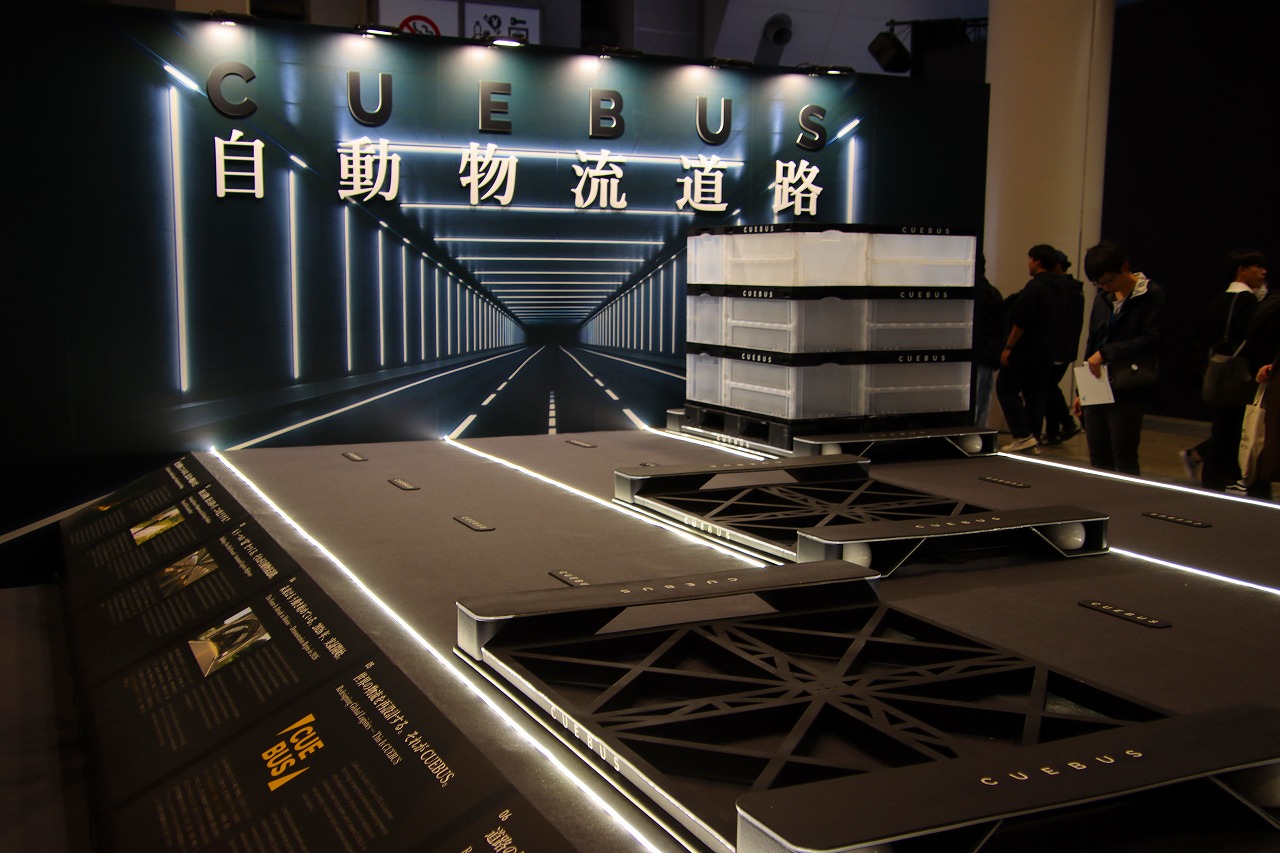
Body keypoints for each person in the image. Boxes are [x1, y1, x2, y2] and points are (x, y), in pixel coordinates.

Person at [1072, 240, 1164, 475]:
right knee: (1098, 456)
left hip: (1128, 384)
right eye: (1099, 283)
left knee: (1124, 456)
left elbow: (1152, 339)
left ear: (1124, 267)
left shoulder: (1150, 294)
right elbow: (1093, 342)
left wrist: (1107, 352)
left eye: (1109, 280)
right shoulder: (1103, 298)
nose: (1105, 287)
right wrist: (1081, 390)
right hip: (1096, 383)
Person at [1180, 249, 1268, 490]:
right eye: (1257, 267)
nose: (1263, 272)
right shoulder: (1247, 302)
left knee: (1221, 430)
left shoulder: (1219, 301)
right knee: (1237, 432)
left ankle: (1211, 484)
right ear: (1241, 270)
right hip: (1238, 378)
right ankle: (1230, 482)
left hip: (1215, 377)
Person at [996, 244, 1081, 452]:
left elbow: (1022, 320)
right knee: (1035, 394)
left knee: (1006, 389)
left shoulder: (1035, 287)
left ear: (1038, 261)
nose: (1029, 264)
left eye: (1030, 260)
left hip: (1026, 349)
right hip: (1048, 351)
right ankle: (1032, 438)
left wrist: (1008, 346)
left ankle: (1023, 435)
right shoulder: (1065, 289)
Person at [1039, 249, 1085, 445]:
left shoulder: (1063, 289)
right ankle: (1054, 431)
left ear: (1057, 266)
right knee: (1049, 386)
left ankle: (1065, 424)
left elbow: (1059, 321)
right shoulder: (1074, 288)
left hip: (1057, 347)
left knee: (1047, 386)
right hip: (1065, 346)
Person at [970, 254, 1004, 428]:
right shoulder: (994, 293)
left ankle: (970, 434)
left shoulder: (971, 294)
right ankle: (979, 435)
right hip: (989, 355)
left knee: (971, 402)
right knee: (983, 401)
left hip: (974, 355)